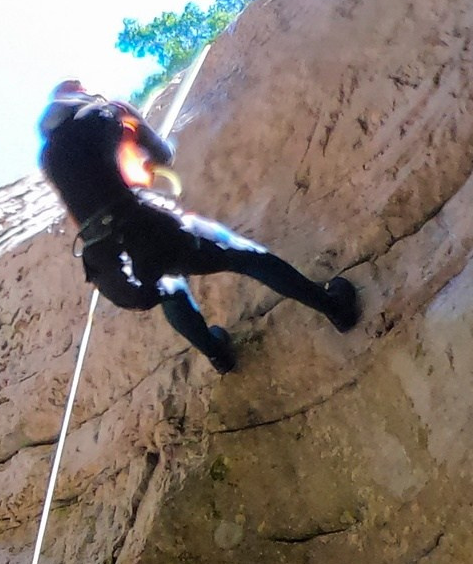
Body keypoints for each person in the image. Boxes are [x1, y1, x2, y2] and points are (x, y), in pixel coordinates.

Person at [37, 78, 360, 373]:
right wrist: (148, 157)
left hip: (107, 265)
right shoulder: (110, 110)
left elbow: (88, 198)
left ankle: (217, 354)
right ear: (80, 94)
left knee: (169, 285)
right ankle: (334, 307)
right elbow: (162, 156)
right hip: (141, 227)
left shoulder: (48, 158)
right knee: (243, 256)